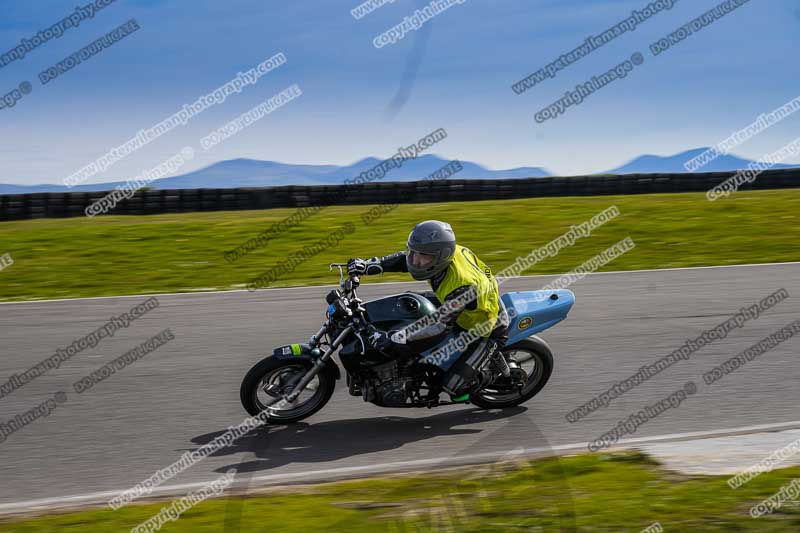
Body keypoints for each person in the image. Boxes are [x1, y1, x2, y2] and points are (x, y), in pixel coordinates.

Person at [346, 220, 509, 400]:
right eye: (413, 252)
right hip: (456, 306)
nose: (414, 260)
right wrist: (368, 266)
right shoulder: (442, 253)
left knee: (453, 387)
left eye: (422, 256)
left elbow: (440, 328)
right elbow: (404, 259)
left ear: (440, 256)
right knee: (406, 305)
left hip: (485, 328)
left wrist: (395, 338)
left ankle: (489, 376)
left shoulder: (462, 286)